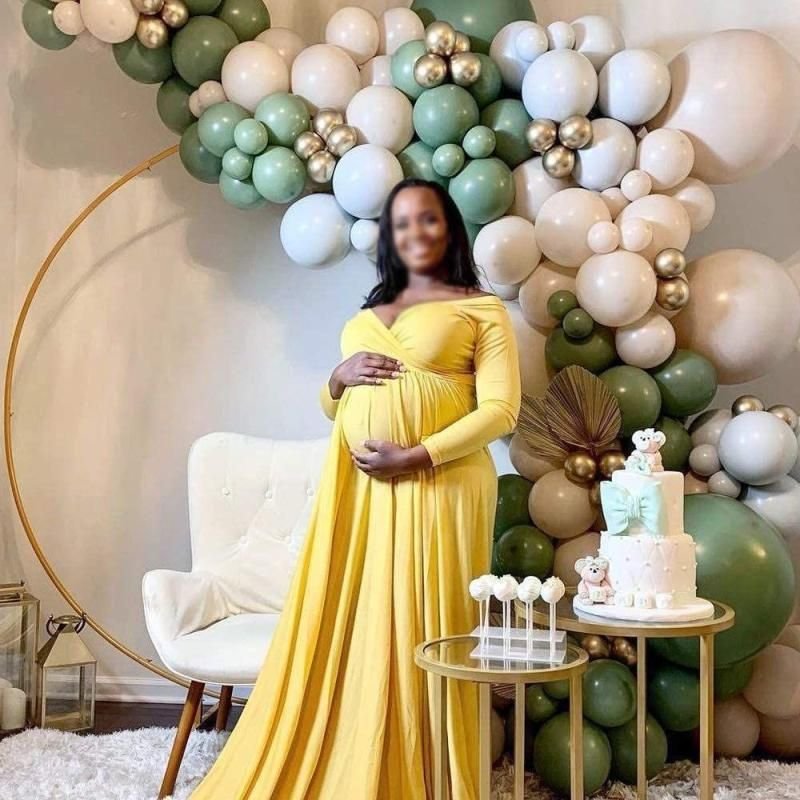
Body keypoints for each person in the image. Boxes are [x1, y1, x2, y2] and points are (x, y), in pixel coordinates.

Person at [190, 178, 521, 799]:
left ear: (449, 228)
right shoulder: (369, 311)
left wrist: (417, 455)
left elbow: (502, 411)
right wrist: (336, 380)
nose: (415, 231)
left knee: (423, 622)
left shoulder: (480, 308)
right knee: (363, 617)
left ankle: (422, 772)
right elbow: (334, 407)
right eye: (402, 222)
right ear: (389, 236)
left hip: (440, 483)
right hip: (362, 489)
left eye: (428, 219)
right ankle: (354, 751)